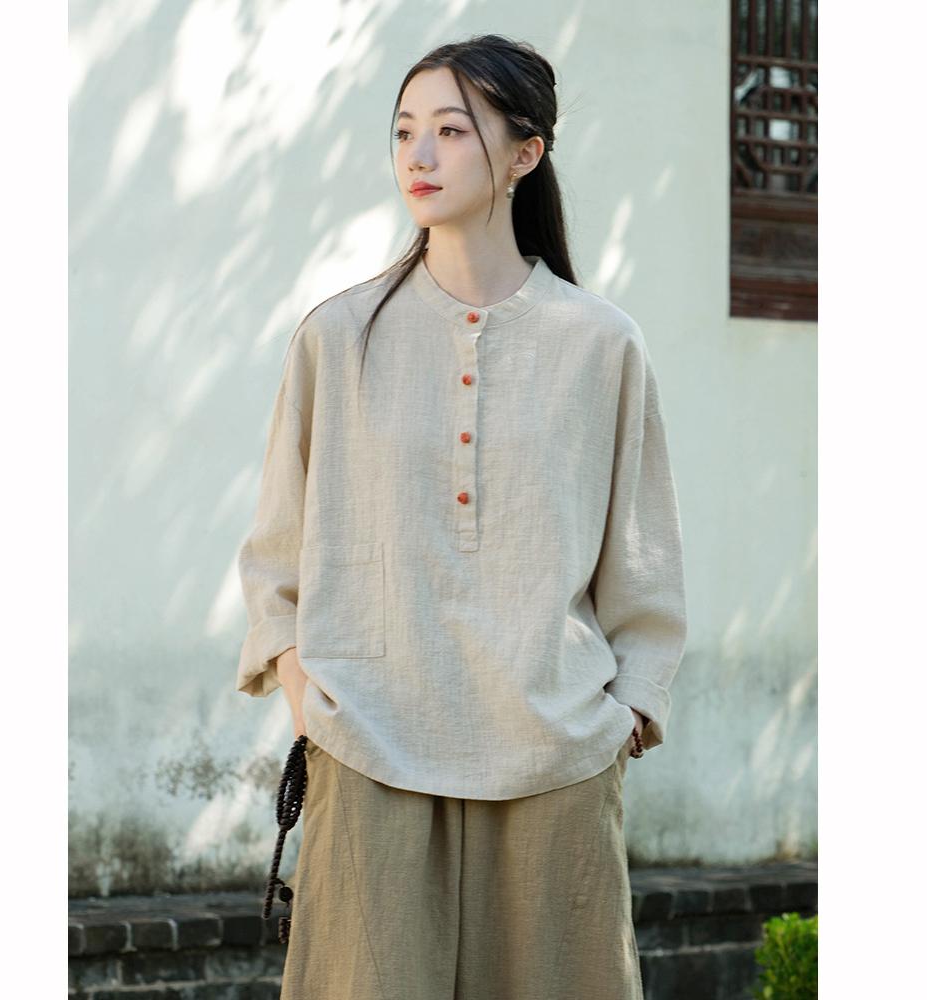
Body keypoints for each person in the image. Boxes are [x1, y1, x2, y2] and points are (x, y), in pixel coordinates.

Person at [236, 33, 687, 1000]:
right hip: (369, 752)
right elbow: (276, 551)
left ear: (525, 153)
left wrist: (626, 711)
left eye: (450, 130)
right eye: (405, 131)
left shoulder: (601, 344)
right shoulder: (338, 337)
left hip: (555, 762)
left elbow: (643, 561)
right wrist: (303, 689)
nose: (419, 155)